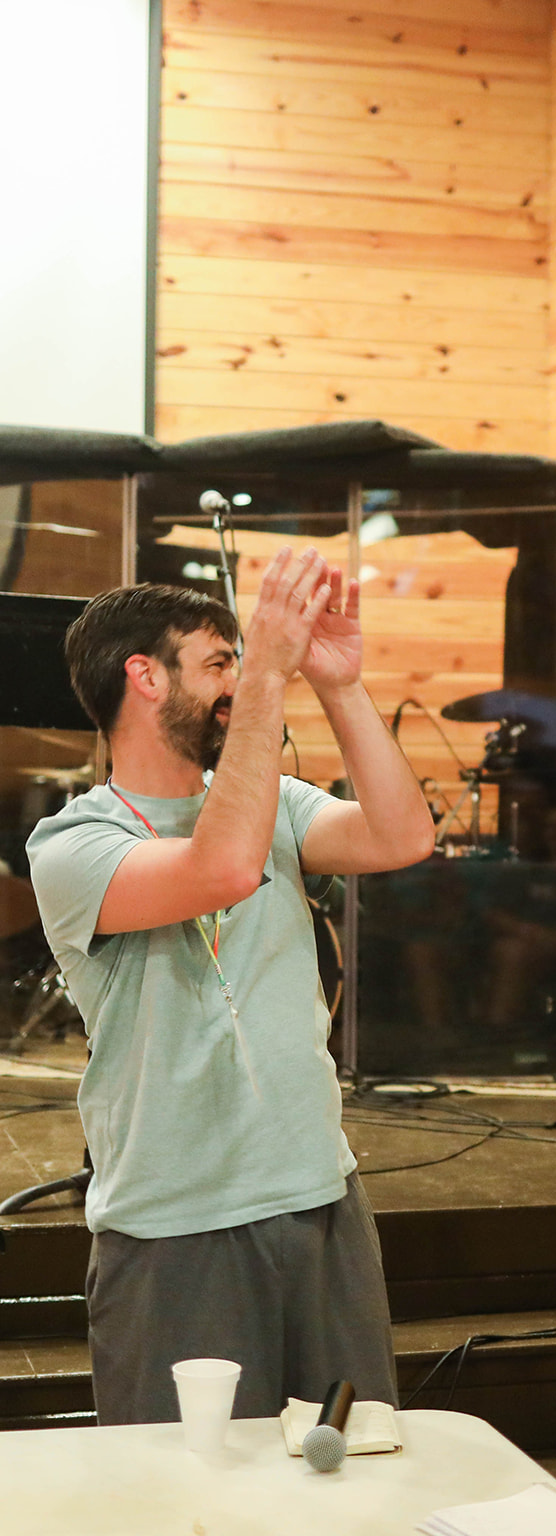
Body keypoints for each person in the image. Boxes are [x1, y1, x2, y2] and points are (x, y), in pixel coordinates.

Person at [27, 547, 436, 1425]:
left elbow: (402, 837)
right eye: (219, 663)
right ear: (144, 676)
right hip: (175, 1227)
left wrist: (338, 684)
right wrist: (268, 680)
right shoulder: (71, 845)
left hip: (320, 1199)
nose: (239, 681)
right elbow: (221, 869)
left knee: (349, 1466)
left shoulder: (275, 803)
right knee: (188, 1485)